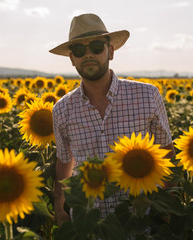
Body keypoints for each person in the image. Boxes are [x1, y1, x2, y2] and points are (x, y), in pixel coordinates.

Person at [49, 13, 175, 227]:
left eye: (97, 47)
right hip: (88, 224)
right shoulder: (62, 109)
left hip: (141, 221)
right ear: (72, 59)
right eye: (79, 50)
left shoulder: (147, 95)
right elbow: (64, 162)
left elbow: (166, 151)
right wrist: (60, 208)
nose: (88, 55)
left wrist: (169, 206)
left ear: (111, 51)